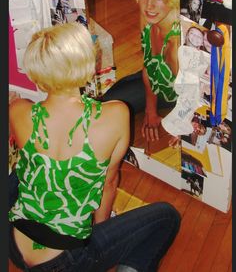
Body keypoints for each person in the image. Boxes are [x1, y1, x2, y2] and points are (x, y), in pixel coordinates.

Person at [9, 22, 181, 272]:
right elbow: (109, 184)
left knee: (23, 169)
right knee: (168, 216)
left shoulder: (18, 110)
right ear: (87, 69)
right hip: (63, 263)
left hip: (14, 241)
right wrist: (102, 233)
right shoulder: (115, 115)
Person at [102, 0, 181, 143]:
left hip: (179, 94)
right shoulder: (148, 15)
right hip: (155, 77)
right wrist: (150, 110)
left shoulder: (177, 43)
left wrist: (181, 123)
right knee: (104, 105)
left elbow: (192, 97)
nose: (149, 6)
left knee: (108, 112)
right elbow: (148, 67)